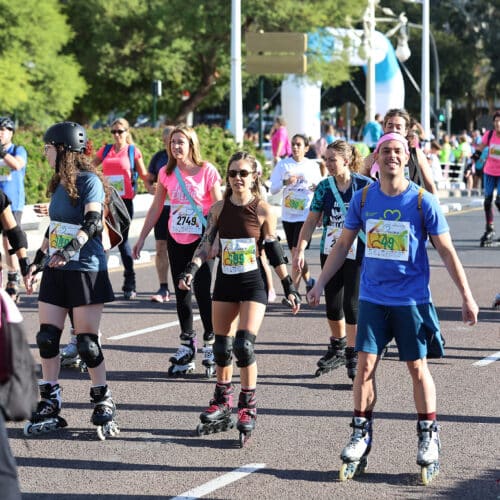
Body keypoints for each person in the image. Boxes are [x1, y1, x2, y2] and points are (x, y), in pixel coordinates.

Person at [307, 132, 478, 484]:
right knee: (365, 364)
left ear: (407, 157)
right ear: (376, 157)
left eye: (398, 151)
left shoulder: (421, 201)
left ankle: (428, 435)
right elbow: (342, 244)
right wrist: (320, 282)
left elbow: (447, 251)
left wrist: (466, 295)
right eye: (385, 151)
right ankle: (360, 433)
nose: (391, 157)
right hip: (372, 297)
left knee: (417, 368)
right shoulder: (364, 197)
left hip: (411, 300)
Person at [179, 151, 300, 445]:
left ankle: (248, 405)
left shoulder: (262, 209)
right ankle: (222, 400)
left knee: (244, 346)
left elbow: (273, 250)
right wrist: (191, 270)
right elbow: (206, 243)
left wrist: (289, 286)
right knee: (221, 348)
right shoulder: (219, 209)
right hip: (225, 283)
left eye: (243, 173)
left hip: (252, 283)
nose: (237, 179)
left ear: (254, 176)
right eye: (232, 173)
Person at [24, 122, 119, 439]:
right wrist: (36, 263)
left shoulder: (90, 181)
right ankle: (50, 398)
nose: (45, 153)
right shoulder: (58, 185)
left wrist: (69, 251)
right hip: (57, 268)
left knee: (87, 343)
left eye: (47, 147)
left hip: (85, 268)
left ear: (61, 149)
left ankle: (102, 397)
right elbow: (55, 229)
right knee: (47, 338)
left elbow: (93, 222)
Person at [133, 125, 222, 377]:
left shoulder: (207, 170)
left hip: (202, 240)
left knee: (203, 291)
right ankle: (186, 344)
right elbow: (156, 207)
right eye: (173, 143)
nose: (176, 147)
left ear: (191, 144)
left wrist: (216, 240)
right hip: (176, 238)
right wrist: (141, 238)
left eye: (181, 142)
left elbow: (219, 208)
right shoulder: (166, 172)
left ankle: (210, 343)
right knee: (181, 291)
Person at [293, 140, 371, 381]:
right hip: (331, 250)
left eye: (332, 159)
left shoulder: (365, 186)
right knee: (333, 305)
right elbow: (311, 220)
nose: (327, 164)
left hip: (358, 251)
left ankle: (353, 353)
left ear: (346, 161)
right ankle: (338, 345)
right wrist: (300, 249)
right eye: (325, 159)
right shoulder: (324, 188)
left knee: (352, 304)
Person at [93, 118, 148, 299]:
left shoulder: (133, 151)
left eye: (120, 131)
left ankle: (129, 282)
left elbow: (145, 175)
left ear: (127, 132)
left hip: (124, 202)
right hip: (106, 201)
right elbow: (90, 167)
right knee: (104, 239)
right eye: (114, 132)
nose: (117, 135)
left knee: (122, 240)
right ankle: (101, 282)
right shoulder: (106, 150)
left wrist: (155, 187)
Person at [269, 134, 324, 296]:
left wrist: (314, 188)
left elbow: (320, 188)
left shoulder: (312, 166)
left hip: (306, 215)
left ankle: (293, 292)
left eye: (299, 145)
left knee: (295, 253)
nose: (295, 147)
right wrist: (286, 182)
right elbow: (272, 189)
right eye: (293, 144)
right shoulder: (283, 165)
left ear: (306, 148)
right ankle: (309, 281)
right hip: (288, 216)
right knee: (297, 254)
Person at [361, 109, 437, 195]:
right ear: (384, 128)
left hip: (411, 206)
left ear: (406, 131)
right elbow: (359, 187)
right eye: (390, 126)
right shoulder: (373, 158)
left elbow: (430, 186)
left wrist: (436, 207)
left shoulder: (416, 155)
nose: (394, 130)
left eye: (398, 127)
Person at [144, 126, 174, 303]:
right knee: (161, 247)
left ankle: (188, 281)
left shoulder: (186, 159)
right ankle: (163, 287)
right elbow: (148, 180)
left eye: (177, 139)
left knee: (184, 249)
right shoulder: (158, 158)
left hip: (182, 210)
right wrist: (151, 188)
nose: (173, 144)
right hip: (163, 209)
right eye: (170, 140)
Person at [0, 116, 28, 302]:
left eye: (4, 129)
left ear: (11, 132)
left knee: (9, 241)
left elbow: (17, 165)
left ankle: (14, 278)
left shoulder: (17, 149)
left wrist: (2, 153)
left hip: (13, 204)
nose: (0, 133)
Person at [470, 110, 500, 246]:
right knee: (487, 201)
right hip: (489, 172)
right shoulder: (489, 135)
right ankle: (490, 228)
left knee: (499, 201)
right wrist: (469, 167)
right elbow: (479, 151)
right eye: (495, 121)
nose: (497, 123)